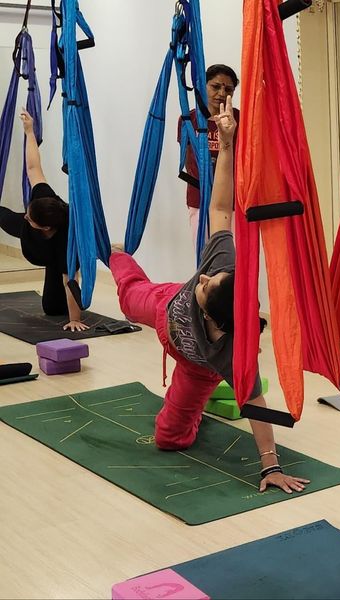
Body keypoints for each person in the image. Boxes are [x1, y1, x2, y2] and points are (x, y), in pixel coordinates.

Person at [109, 99, 306, 493]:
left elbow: (256, 405)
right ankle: (114, 252)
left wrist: (270, 466)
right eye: (208, 278)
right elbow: (219, 208)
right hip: (166, 307)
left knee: (170, 439)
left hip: (195, 366)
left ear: (217, 318)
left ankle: (193, 414)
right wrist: (228, 146)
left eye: (204, 286)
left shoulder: (233, 355)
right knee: (128, 297)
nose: (201, 279)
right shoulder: (225, 268)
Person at [0, 109, 87, 331]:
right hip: (29, 235)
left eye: (30, 216)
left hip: (51, 255)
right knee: (5, 217)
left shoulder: (69, 238)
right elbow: (33, 167)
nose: (26, 214)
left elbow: (71, 280)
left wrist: (75, 318)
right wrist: (30, 131)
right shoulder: (44, 199)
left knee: (53, 308)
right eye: (28, 212)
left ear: (46, 226)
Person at [179, 64, 240, 248]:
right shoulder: (188, 120)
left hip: (231, 201)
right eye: (216, 86)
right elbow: (188, 158)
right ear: (203, 86)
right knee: (204, 253)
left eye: (228, 89)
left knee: (229, 255)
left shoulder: (239, 120)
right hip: (199, 198)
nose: (222, 93)